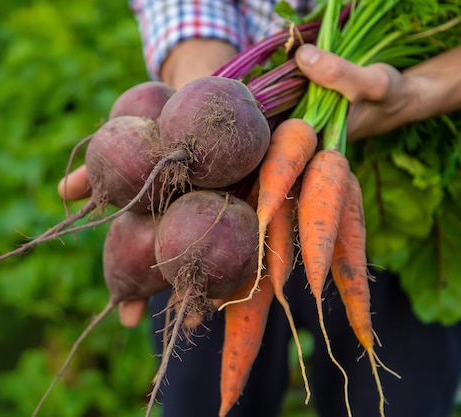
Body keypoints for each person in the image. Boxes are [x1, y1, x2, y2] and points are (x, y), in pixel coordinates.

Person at [58, 1, 461, 416]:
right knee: (202, 395)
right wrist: (198, 91)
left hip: (394, 199)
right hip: (213, 223)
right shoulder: (204, 218)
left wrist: (420, 93)